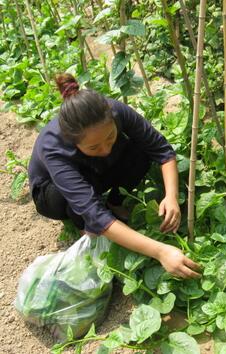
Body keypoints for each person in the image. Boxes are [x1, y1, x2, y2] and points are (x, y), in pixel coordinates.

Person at [28, 73, 200, 279]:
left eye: (110, 137)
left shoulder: (115, 110)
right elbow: (93, 211)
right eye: (94, 146)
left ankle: (115, 203)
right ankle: (88, 233)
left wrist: (171, 196)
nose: (106, 149)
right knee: (75, 199)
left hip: (94, 171)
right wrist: (161, 251)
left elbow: (161, 150)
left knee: (141, 152)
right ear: (73, 142)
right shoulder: (54, 147)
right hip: (52, 194)